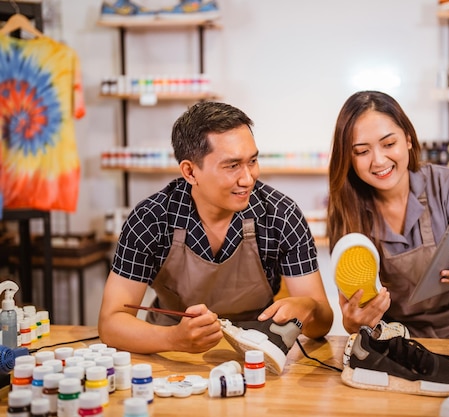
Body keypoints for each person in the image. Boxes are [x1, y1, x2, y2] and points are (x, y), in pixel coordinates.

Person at [98, 101, 334, 354]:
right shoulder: (152, 219)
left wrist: (309, 308)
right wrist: (173, 339)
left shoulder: (281, 215)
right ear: (190, 172)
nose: (247, 178)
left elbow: (321, 324)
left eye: (252, 161)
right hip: (169, 351)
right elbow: (111, 323)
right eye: (232, 166)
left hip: (257, 349)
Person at [327, 90, 449, 339]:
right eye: (362, 152)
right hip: (399, 341)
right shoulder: (347, 211)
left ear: (407, 138)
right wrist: (354, 323)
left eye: (389, 144)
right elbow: (361, 313)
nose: (379, 160)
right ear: (349, 159)